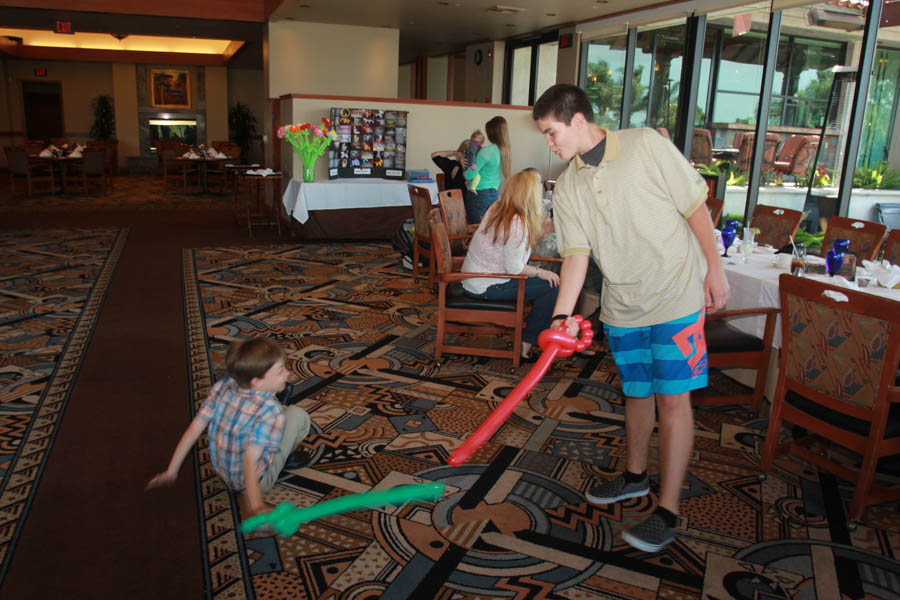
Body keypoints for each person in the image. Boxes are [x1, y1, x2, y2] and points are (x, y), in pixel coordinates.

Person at [532, 84, 730, 552]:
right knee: (637, 395)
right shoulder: (570, 185)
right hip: (622, 306)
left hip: (676, 297)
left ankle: (668, 510)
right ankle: (635, 476)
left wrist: (714, 267)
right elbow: (576, 257)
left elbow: (694, 207)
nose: (549, 142)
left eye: (551, 131)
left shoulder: (645, 145)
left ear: (577, 119)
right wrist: (561, 317)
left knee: (673, 401)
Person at [146, 337, 311, 517]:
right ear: (256, 381)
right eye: (280, 371)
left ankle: (271, 398)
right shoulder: (270, 413)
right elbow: (250, 460)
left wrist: (171, 471)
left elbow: (194, 429)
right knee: (298, 416)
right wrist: (256, 507)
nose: (287, 373)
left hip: (224, 473)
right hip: (253, 481)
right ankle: (281, 460)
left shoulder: (223, 387)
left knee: (273, 414)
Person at [461, 169, 560, 362]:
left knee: (549, 281)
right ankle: (526, 344)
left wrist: (542, 232)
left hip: (474, 277)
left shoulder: (498, 206)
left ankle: (531, 335)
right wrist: (541, 272)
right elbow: (514, 267)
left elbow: (511, 246)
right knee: (552, 286)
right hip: (486, 284)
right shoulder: (518, 222)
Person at [464, 116, 511, 225]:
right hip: (493, 194)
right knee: (488, 231)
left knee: (475, 231)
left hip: (478, 194)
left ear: (491, 133)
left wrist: (464, 167)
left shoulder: (486, 151)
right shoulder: (505, 152)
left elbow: (469, 175)